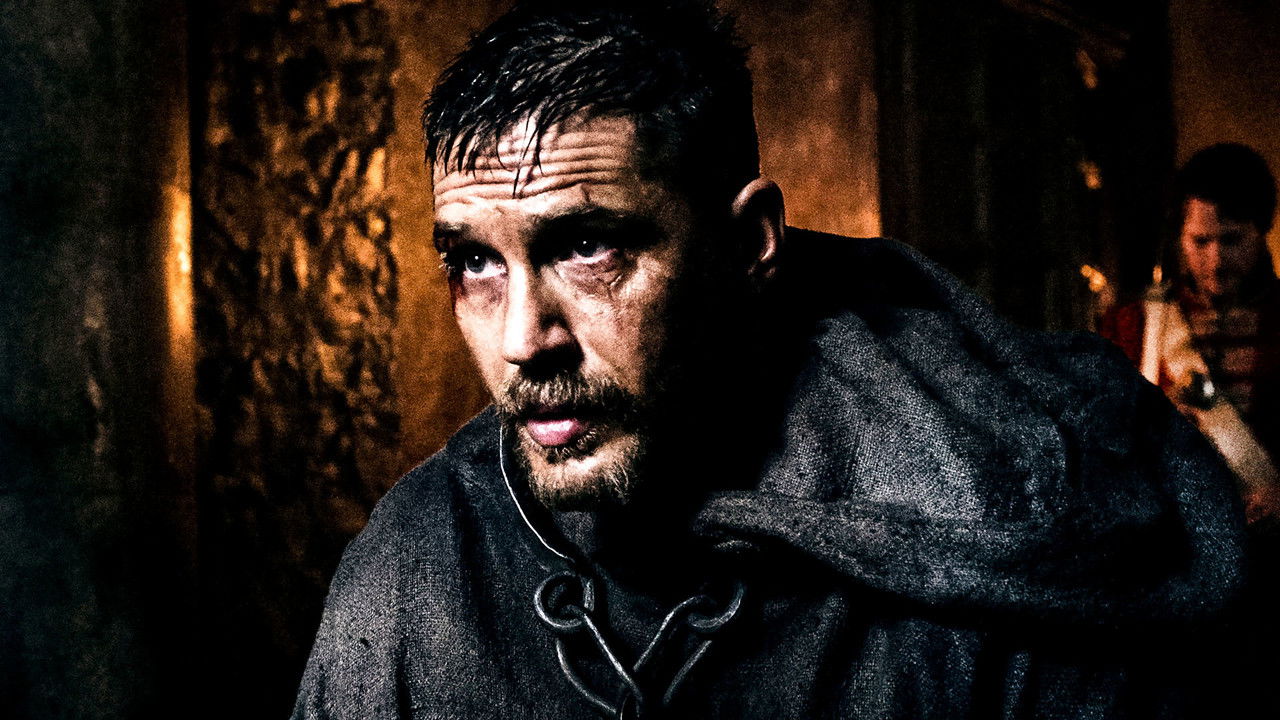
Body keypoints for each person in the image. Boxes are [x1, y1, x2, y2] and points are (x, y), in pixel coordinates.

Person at [294, 2, 1247, 717]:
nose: (520, 341)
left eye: (587, 247)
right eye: (474, 262)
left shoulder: (1010, 531)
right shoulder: (414, 567)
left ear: (749, 243)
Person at [1100, 143, 1280, 524]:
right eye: (1201, 241)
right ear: (1180, 237)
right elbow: (1100, 449)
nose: (1216, 260)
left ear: (1262, 230)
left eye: (1232, 240)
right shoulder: (1132, 327)